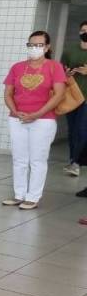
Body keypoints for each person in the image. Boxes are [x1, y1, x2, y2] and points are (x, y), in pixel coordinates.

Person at [2, 30, 66, 210]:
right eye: (31, 45)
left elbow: (59, 94)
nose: (34, 48)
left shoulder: (54, 67)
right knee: (19, 158)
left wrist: (37, 114)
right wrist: (15, 111)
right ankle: (19, 195)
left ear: (47, 47)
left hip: (43, 120)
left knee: (37, 160)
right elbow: (8, 93)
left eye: (39, 45)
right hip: (18, 119)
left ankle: (33, 197)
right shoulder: (17, 67)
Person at [63, 20, 87, 178]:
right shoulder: (70, 50)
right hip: (71, 97)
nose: (85, 33)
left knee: (82, 130)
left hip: (86, 99)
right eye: (83, 30)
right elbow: (60, 70)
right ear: (79, 32)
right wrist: (67, 73)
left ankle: (77, 163)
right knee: (72, 131)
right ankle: (73, 160)